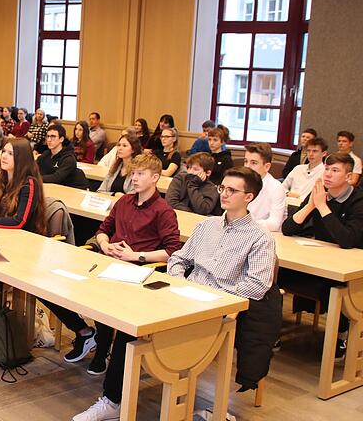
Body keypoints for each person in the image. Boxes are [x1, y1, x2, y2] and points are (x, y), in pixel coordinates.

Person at [73, 166, 279, 421]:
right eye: (222, 188)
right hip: (183, 293)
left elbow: (258, 284)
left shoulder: (260, 238)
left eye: (232, 190)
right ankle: (113, 401)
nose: (224, 194)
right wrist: (182, 283)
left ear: (249, 197)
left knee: (142, 333)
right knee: (130, 322)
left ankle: (116, 399)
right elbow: (179, 258)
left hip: (216, 307)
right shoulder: (208, 225)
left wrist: (220, 298)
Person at [47, 154, 181, 378]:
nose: (135, 178)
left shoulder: (163, 210)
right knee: (56, 286)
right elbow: (102, 230)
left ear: (155, 177)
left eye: (141, 174)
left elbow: (172, 251)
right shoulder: (124, 201)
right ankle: (85, 334)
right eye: (133, 173)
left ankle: (102, 350)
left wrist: (136, 256)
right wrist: (105, 244)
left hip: (137, 271)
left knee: (105, 298)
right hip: (108, 261)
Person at [281, 152, 363, 361]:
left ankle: (341, 337)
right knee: (278, 274)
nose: (328, 174)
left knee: (332, 288)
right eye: (327, 169)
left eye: (335, 170)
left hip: (350, 267)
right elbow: (288, 228)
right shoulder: (319, 193)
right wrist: (311, 205)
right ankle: (271, 332)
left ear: (348, 176)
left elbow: (347, 240)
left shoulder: (358, 200)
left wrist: (323, 207)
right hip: (323, 258)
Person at [243, 142, 286, 232]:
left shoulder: (276, 187)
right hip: (241, 232)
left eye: (253, 163)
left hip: (265, 236)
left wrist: (243, 224)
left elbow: (274, 224)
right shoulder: (240, 182)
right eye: (245, 161)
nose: (247, 167)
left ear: (267, 167)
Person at [37, 123, 89, 190]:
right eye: (48, 136)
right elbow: (33, 167)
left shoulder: (69, 158)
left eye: (53, 136)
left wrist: (35, 178)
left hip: (73, 190)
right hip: (55, 188)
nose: (49, 140)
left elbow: (56, 178)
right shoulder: (45, 154)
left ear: (61, 139)